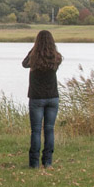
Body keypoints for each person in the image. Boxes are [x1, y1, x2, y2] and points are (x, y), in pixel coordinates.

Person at [22, 29, 62, 169]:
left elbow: (24, 64)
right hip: (52, 97)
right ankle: (48, 162)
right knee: (49, 130)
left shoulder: (33, 58)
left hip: (36, 98)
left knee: (36, 131)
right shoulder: (56, 57)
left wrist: (34, 49)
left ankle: (34, 163)